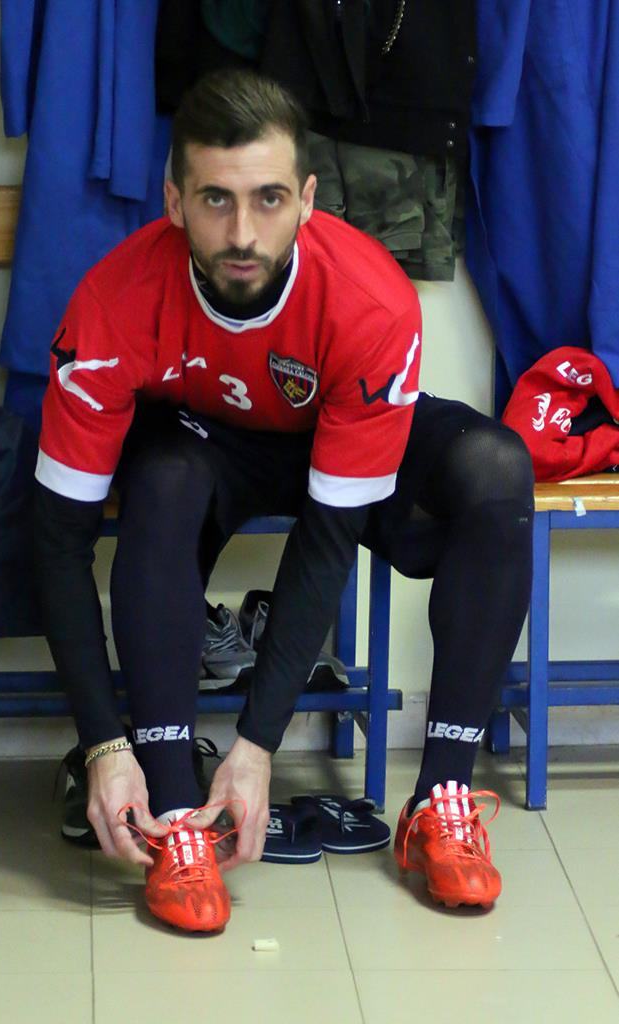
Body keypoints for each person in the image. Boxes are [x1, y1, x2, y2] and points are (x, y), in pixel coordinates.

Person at [34, 68, 534, 934]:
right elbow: (57, 539)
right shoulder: (112, 303)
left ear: (307, 198)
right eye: (215, 200)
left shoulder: (369, 298)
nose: (241, 231)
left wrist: (258, 745)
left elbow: (328, 536)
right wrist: (104, 743)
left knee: (495, 467)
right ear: (172, 201)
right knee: (159, 479)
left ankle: (441, 795)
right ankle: (172, 806)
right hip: (207, 443)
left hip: (335, 431)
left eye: (267, 199)